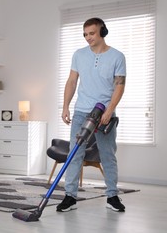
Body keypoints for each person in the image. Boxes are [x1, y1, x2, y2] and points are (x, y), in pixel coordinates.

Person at [56, 17, 126, 212]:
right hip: (81, 112)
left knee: (107, 155)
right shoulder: (78, 55)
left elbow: (119, 86)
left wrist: (110, 110)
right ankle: (70, 197)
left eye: (92, 33)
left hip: (104, 112)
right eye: (85, 34)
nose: (88, 37)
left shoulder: (117, 57)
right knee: (74, 154)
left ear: (102, 32)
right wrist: (65, 106)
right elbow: (71, 82)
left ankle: (112, 196)